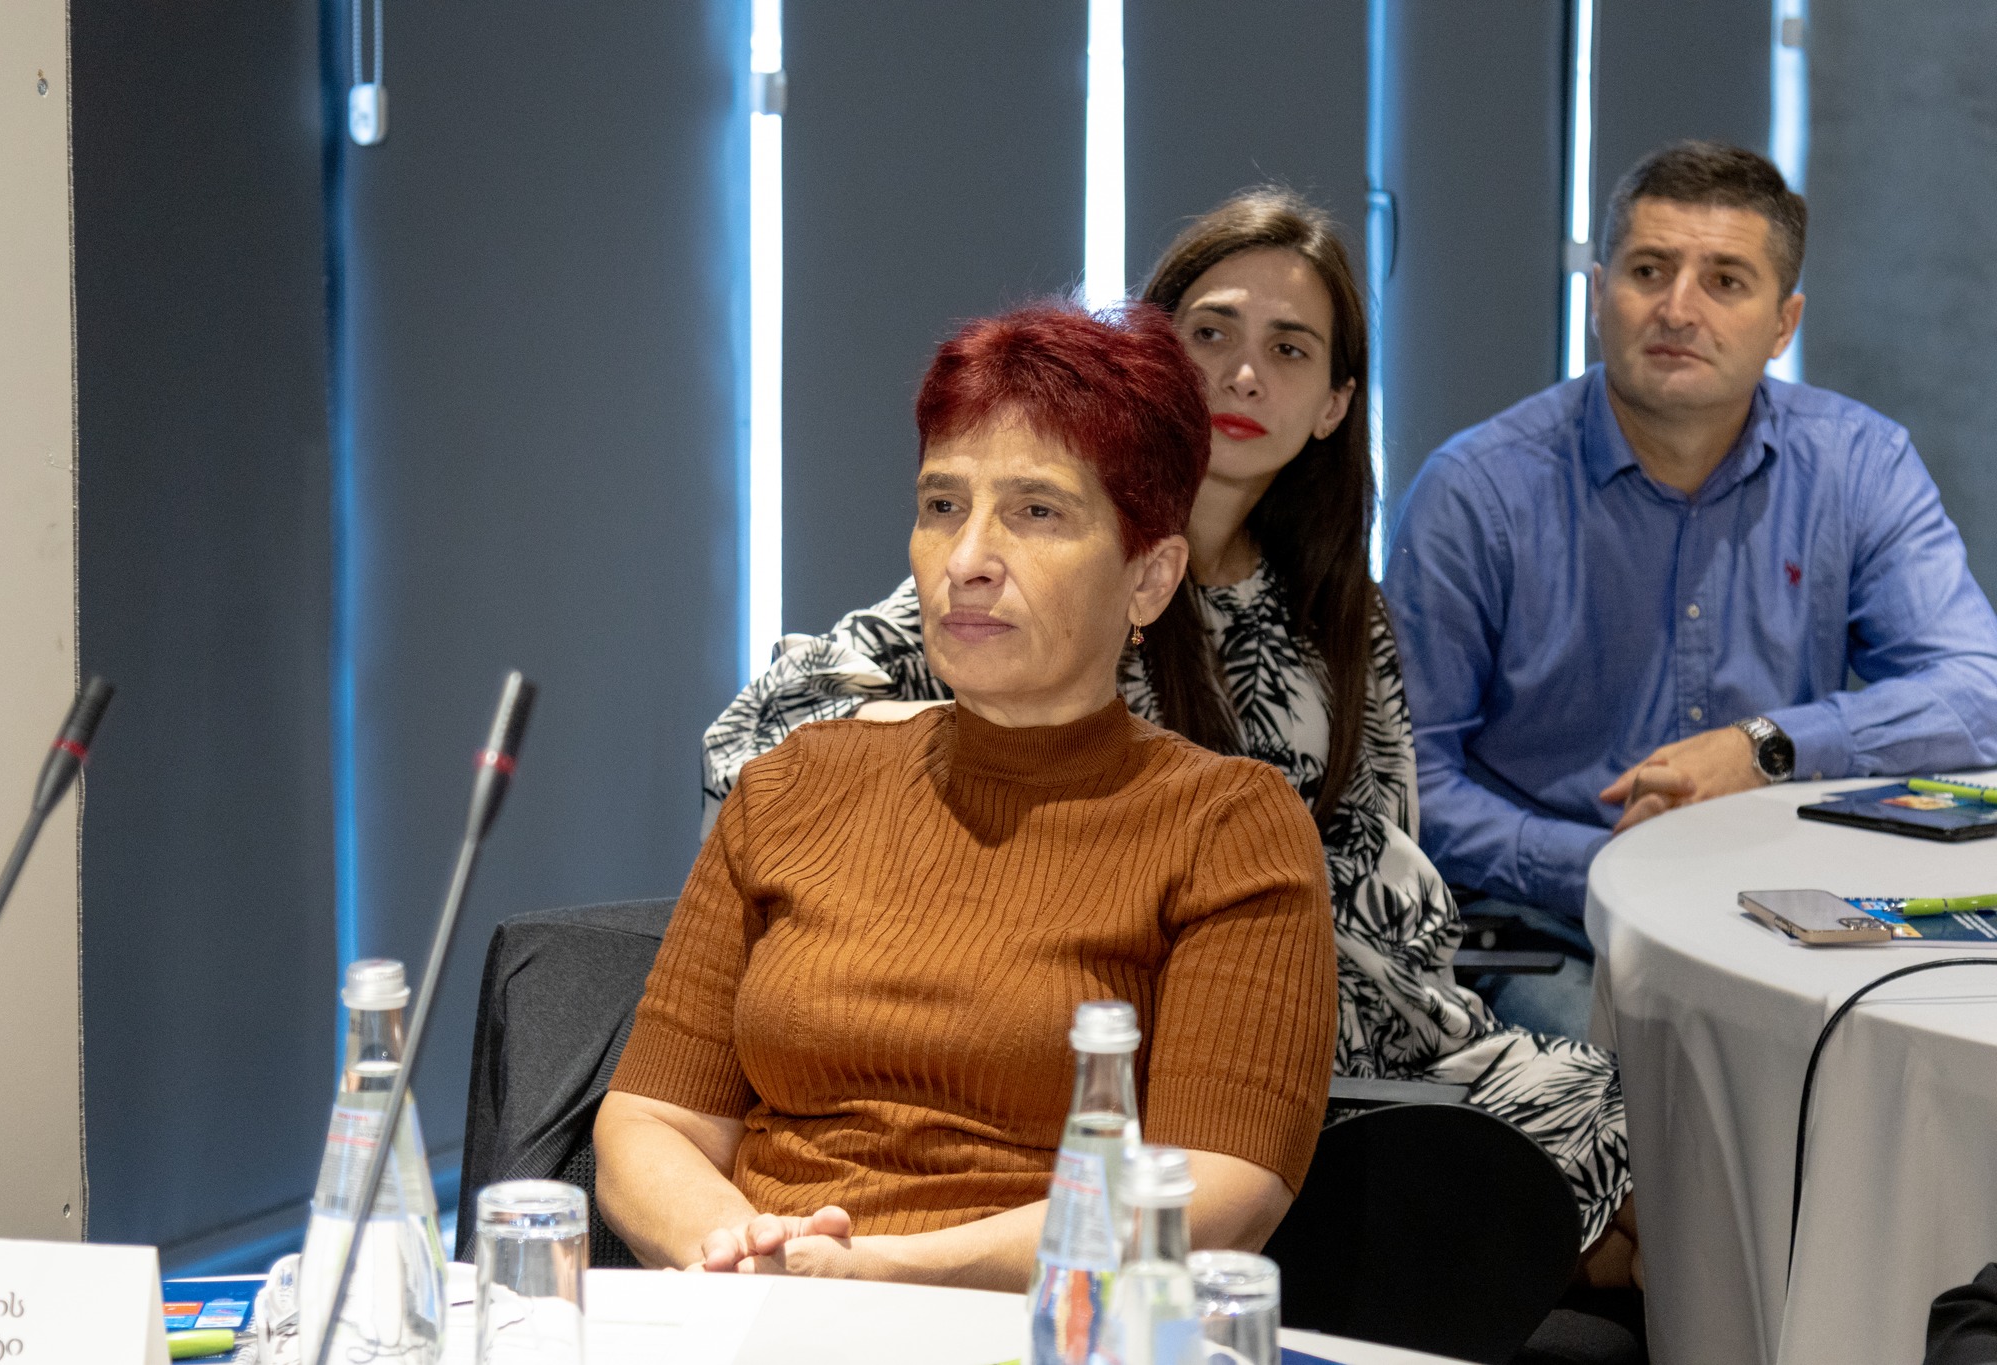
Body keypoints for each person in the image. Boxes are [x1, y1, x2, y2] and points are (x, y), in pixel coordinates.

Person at [700, 189, 1635, 1268]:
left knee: (1648, 1141)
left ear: (1334, 405)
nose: (1242, 376)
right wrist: (983, 736)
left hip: (1353, 997)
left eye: (1288, 350)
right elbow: (756, 736)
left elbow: (1389, 847)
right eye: (1210, 334)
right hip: (1146, 1011)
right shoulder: (1060, 562)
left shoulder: (1336, 607)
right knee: (1589, 1228)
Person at [593, 302, 1337, 1288]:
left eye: (1036, 512)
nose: (966, 559)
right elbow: (650, 1121)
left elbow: (1216, 1190)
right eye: (943, 505)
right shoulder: (793, 784)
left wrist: (878, 1272)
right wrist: (744, 1254)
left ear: (1150, 578)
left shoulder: (1227, 827)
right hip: (758, 1308)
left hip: (1038, 1324)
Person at [1384, 141, 1997, 1040]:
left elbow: (1977, 691)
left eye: (1725, 281)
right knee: (1636, 1081)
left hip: (1788, 902)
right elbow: (1410, 779)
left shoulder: (1859, 465)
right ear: (1599, 296)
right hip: (1551, 919)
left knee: (1905, 1060)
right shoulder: (1476, 492)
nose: (1678, 308)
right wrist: (1612, 861)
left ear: (1783, 323)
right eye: (1648, 271)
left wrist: (1769, 746)